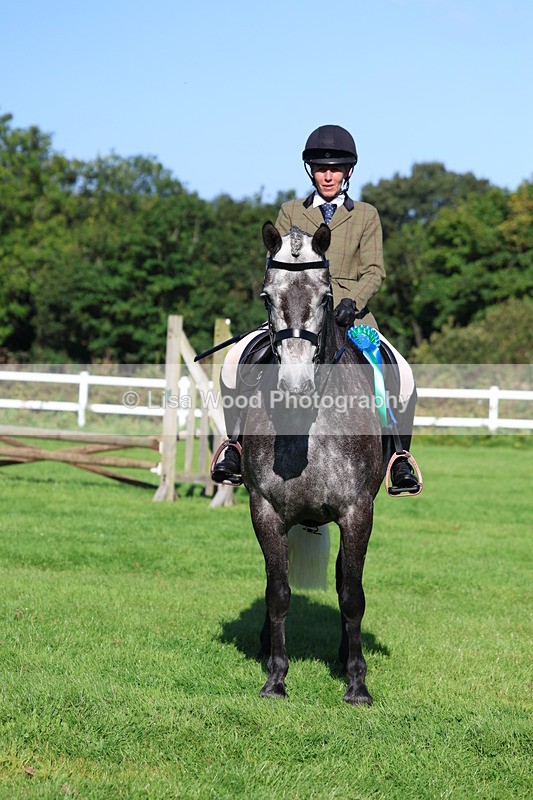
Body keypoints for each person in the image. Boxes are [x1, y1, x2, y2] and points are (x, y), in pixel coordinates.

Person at [212, 124, 421, 493]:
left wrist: (351, 301)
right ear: (311, 170)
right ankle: (235, 445)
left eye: (335, 168)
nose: (328, 174)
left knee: (400, 373)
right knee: (234, 363)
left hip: (350, 318)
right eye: (321, 167)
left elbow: (375, 270)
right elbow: (274, 264)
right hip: (295, 316)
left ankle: (397, 457)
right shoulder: (290, 211)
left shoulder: (366, 216)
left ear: (348, 172)